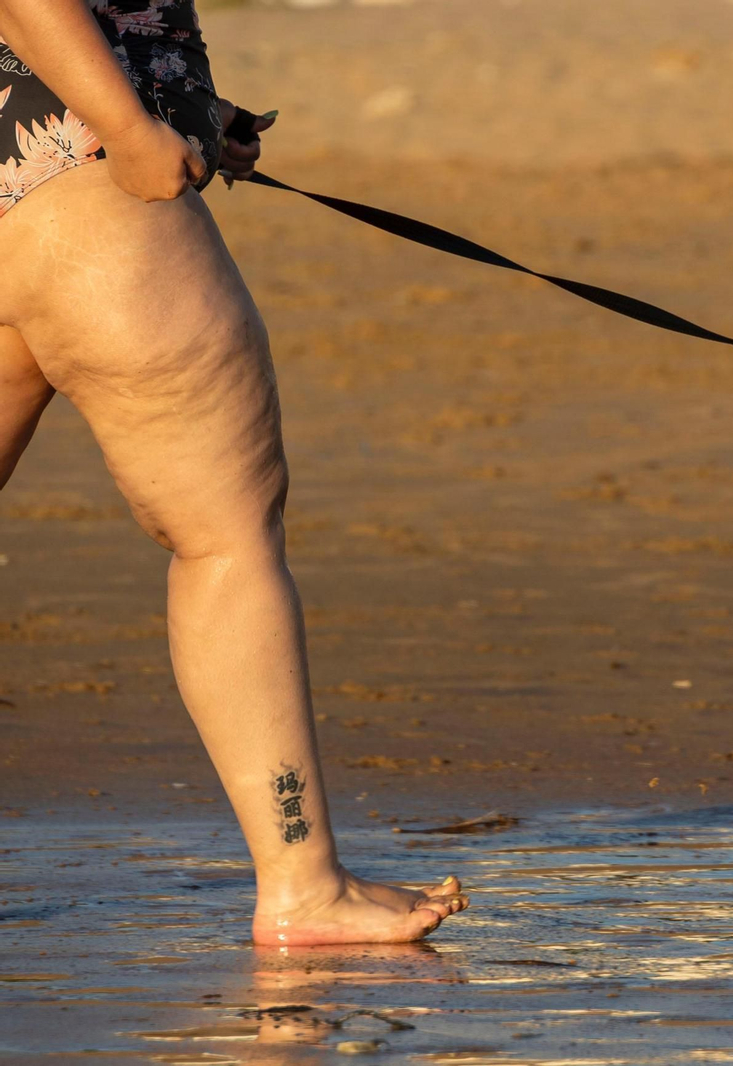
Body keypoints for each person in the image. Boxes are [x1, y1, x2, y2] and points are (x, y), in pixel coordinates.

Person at [0, 0, 467, 945]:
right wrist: (132, 127)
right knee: (226, 537)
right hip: (83, 188)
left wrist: (186, 104)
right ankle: (304, 886)